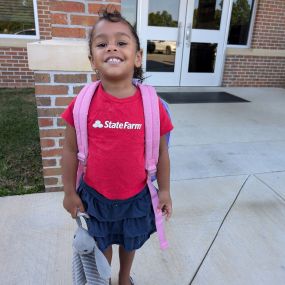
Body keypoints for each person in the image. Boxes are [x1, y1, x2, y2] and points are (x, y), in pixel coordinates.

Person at [61, 9, 173, 285]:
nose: (111, 46)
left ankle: (124, 278)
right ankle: (103, 278)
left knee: (129, 241)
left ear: (137, 57)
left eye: (121, 42)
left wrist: (166, 190)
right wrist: (68, 192)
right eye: (102, 43)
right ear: (92, 60)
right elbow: (68, 151)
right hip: (95, 197)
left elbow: (161, 153)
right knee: (102, 243)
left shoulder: (152, 106)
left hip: (135, 196)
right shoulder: (82, 104)